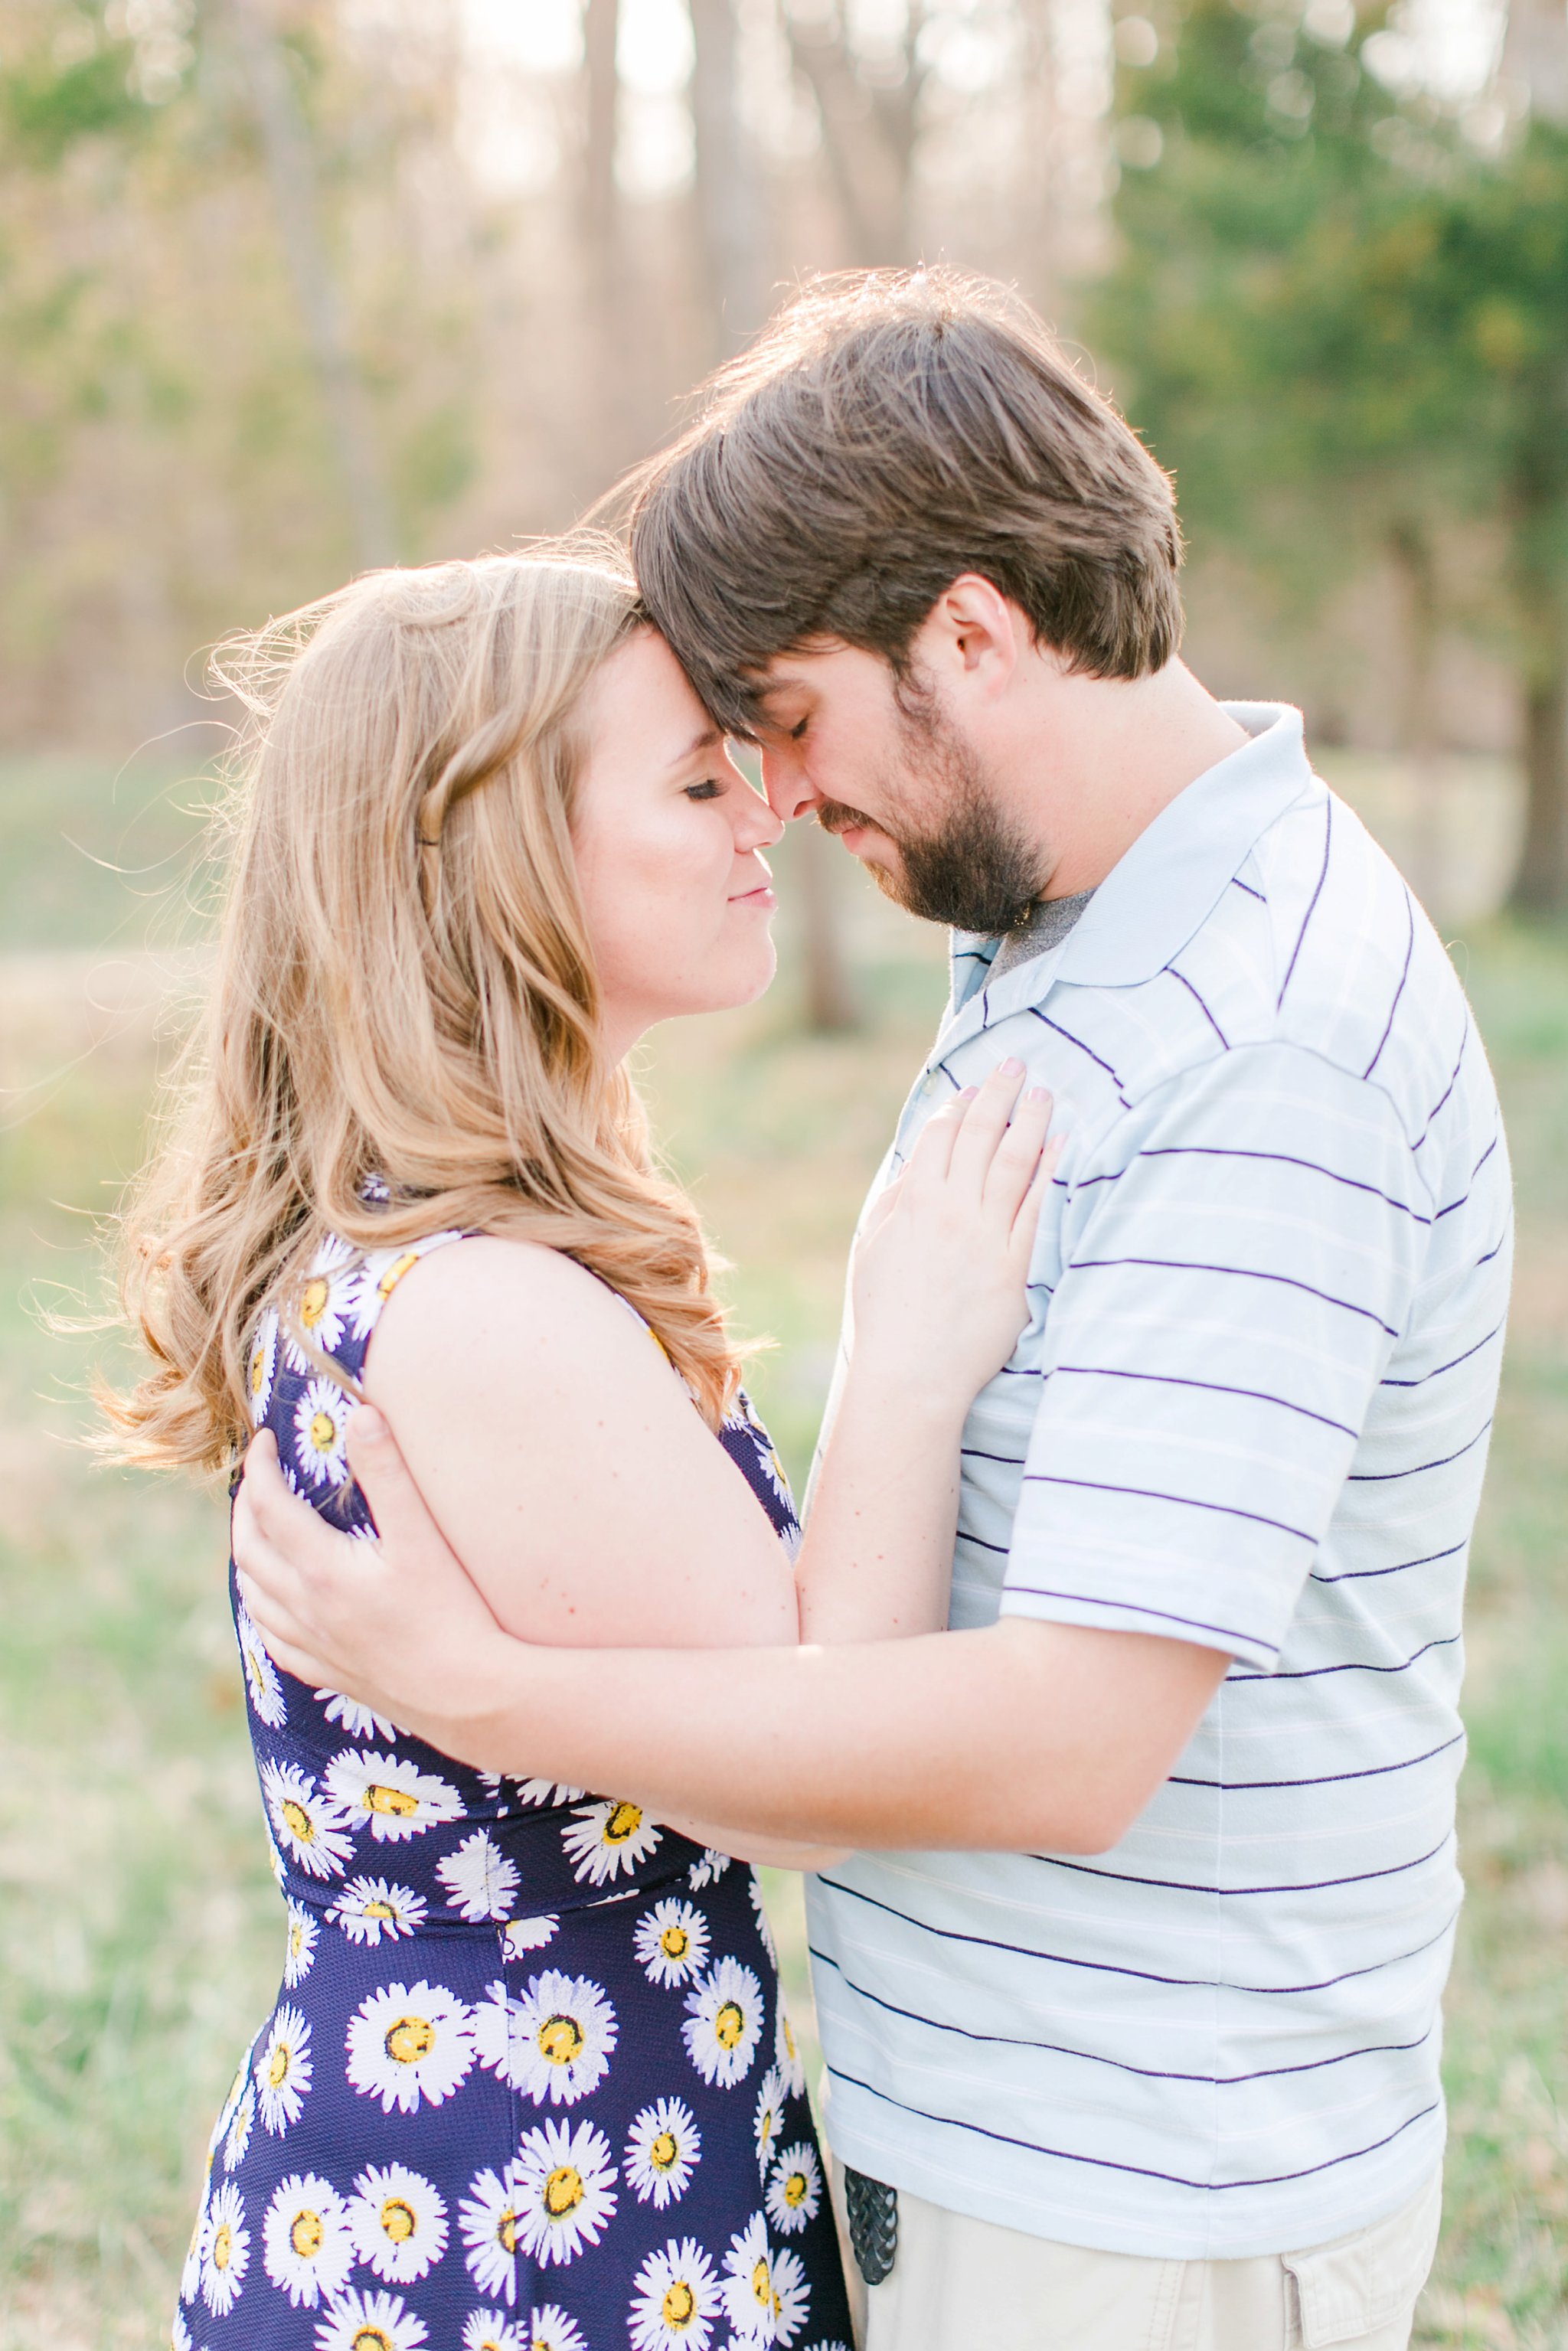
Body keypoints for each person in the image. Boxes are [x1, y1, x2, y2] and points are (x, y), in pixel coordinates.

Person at [234, 270, 1513, 2351]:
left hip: (1132, 2187)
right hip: (919, 2166)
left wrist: (480, 1690)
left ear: (976, 638)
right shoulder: (1066, 942)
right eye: (711, 765)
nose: (783, 801)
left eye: (796, 723)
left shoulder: (1257, 1037)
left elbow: (1081, 1740)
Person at [104, 543, 1061, 2351]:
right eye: (697, 778)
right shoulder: (475, 1308)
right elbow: (815, 1749)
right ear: (482, 857)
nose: (764, 806)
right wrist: (910, 1359)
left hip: (560, 2159)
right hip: (521, 2216)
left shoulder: (443, 1257)